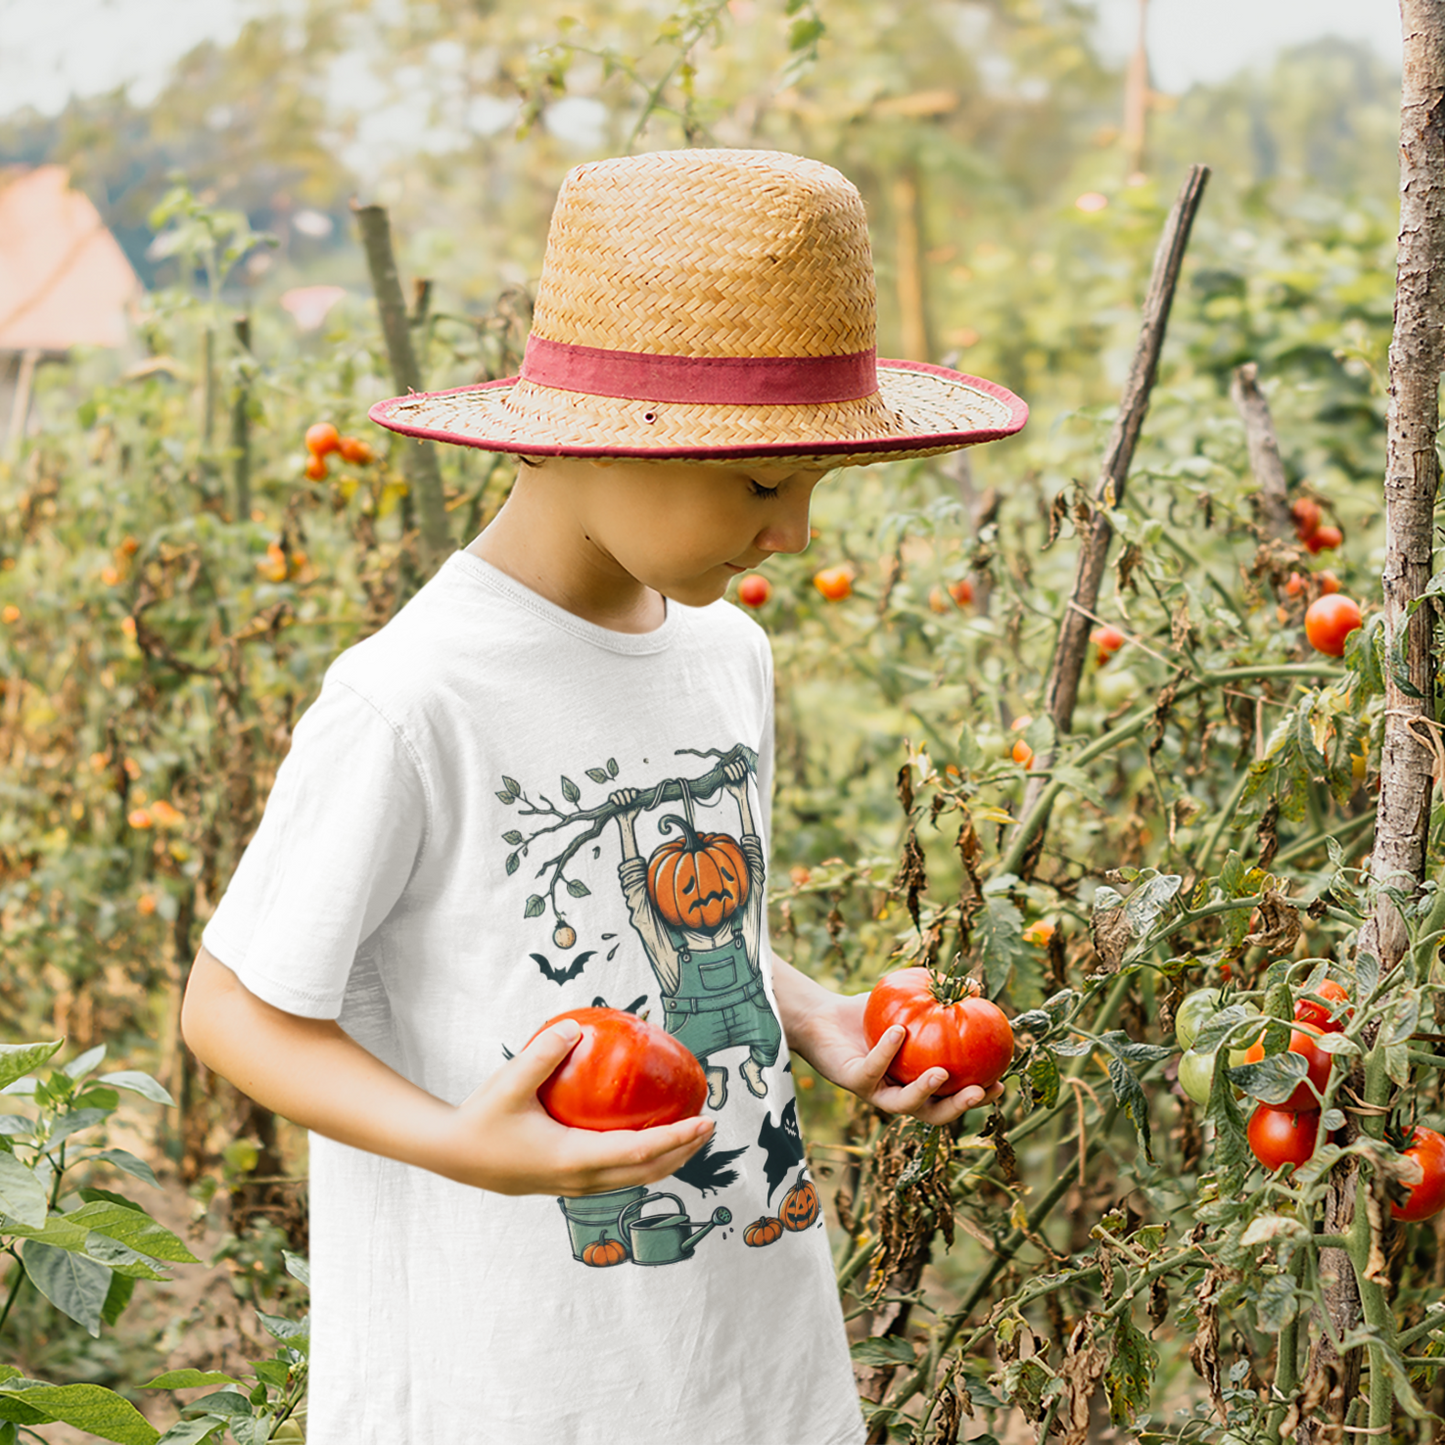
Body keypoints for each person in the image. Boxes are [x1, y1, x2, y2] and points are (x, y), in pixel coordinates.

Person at [181, 148, 1027, 1445]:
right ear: (594, 442)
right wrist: (465, 1145)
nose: (794, 534)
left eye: (814, 484)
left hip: (746, 1349)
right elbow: (233, 1008)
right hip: (514, 1379)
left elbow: (682, 926)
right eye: (759, 484)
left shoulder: (722, 652)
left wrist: (816, 1020)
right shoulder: (417, 697)